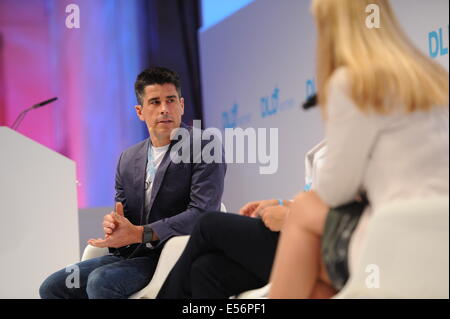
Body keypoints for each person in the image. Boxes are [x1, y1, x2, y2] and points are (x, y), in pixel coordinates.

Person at [268, 0, 449, 298]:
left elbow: (333, 191)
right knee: (315, 285)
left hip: (398, 237)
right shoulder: (434, 77)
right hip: (438, 244)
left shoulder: (353, 83)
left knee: (303, 207)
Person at [39, 67, 226, 299]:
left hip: (173, 255)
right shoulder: (128, 158)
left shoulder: (203, 145)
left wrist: (140, 233)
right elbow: (125, 216)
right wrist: (115, 225)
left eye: (171, 100)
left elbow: (201, 214)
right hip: (130, 256)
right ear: (140, 111)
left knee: (101, 283)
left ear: (182, 105)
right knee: (54, 286)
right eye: (155, 102)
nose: (164, 109)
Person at [156, 142, 326, 299]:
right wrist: (281, 203)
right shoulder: (332, 144)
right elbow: (320, 202)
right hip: (300, 238)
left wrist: (291, 218)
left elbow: (348, 218)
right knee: (205, 270)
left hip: (317, 250)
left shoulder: (349, 147)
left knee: (208, 224)